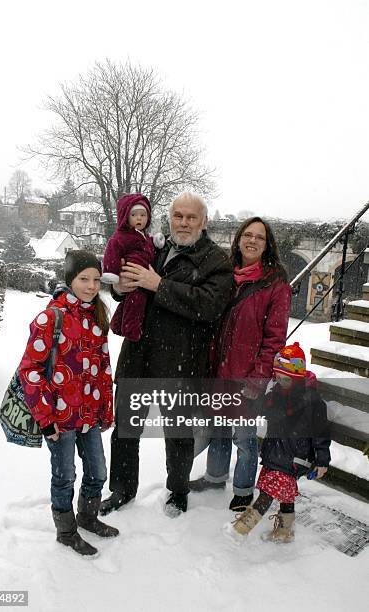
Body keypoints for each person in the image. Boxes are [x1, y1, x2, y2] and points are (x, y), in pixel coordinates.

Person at [99, 192, 234, 517]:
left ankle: (177, 490)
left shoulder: (216, 260)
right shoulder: (151, 246)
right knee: (126, 428)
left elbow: (209, 305)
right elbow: (122, 284)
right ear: (169, 218)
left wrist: (159, 285)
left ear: (203, 221)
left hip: (182, 362)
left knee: (178, 433)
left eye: (191, 217)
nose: (184, 223)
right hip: (138, 354)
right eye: (178, 216)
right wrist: (120, 288)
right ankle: (122, 489)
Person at [18, 250, 119, 556]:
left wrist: (105, 410)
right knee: (65, 477)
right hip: (59, 419)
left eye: (96, 280)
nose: (91, 286)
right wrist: (46, 419)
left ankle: (88, 517)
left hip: (89, 415)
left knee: (98, 472)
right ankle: (66, 531)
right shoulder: (51, 317)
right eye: (84, 279)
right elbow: (30, 370)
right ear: (70, 280)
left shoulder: (96, 316)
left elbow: (103, 368)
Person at [190, 216, 292, 511]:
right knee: (219, 429)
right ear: (238, 240)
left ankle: (244, 490)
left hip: (247, 375)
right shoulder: (225, 275)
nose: (252, 241)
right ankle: (214, 477)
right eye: (247, 235)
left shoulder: (275, 284)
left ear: (267, 244)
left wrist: (258, 378)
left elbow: (275, 339)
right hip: (218, 371)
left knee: (244, 438)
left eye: (259, 237)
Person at [231, 342, 331, 542]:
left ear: (297, 377)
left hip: (295, 458)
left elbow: (321, 433)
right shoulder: (274, 395)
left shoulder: (312, 401)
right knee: (285, 495)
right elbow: (262, 409)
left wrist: (322, 461)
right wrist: (249, 400)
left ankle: (240, 529)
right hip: (274, 454)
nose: (280, 381)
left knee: (267, 494)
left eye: (286, 379)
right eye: (278, 377)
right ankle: (285, 531)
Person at [102, 193, 164, 342]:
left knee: (131, 304)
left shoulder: (142, 235)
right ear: (126, 216)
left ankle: (117, 325)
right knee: (134, 304)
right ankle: (131, 330)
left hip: (142, 276)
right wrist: (112, 272)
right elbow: (112, 251)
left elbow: (148, 245)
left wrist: (156, 241)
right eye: (134, 214)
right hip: (132, 275)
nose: (139, 218)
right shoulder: (121, 236)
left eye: (143, 215)